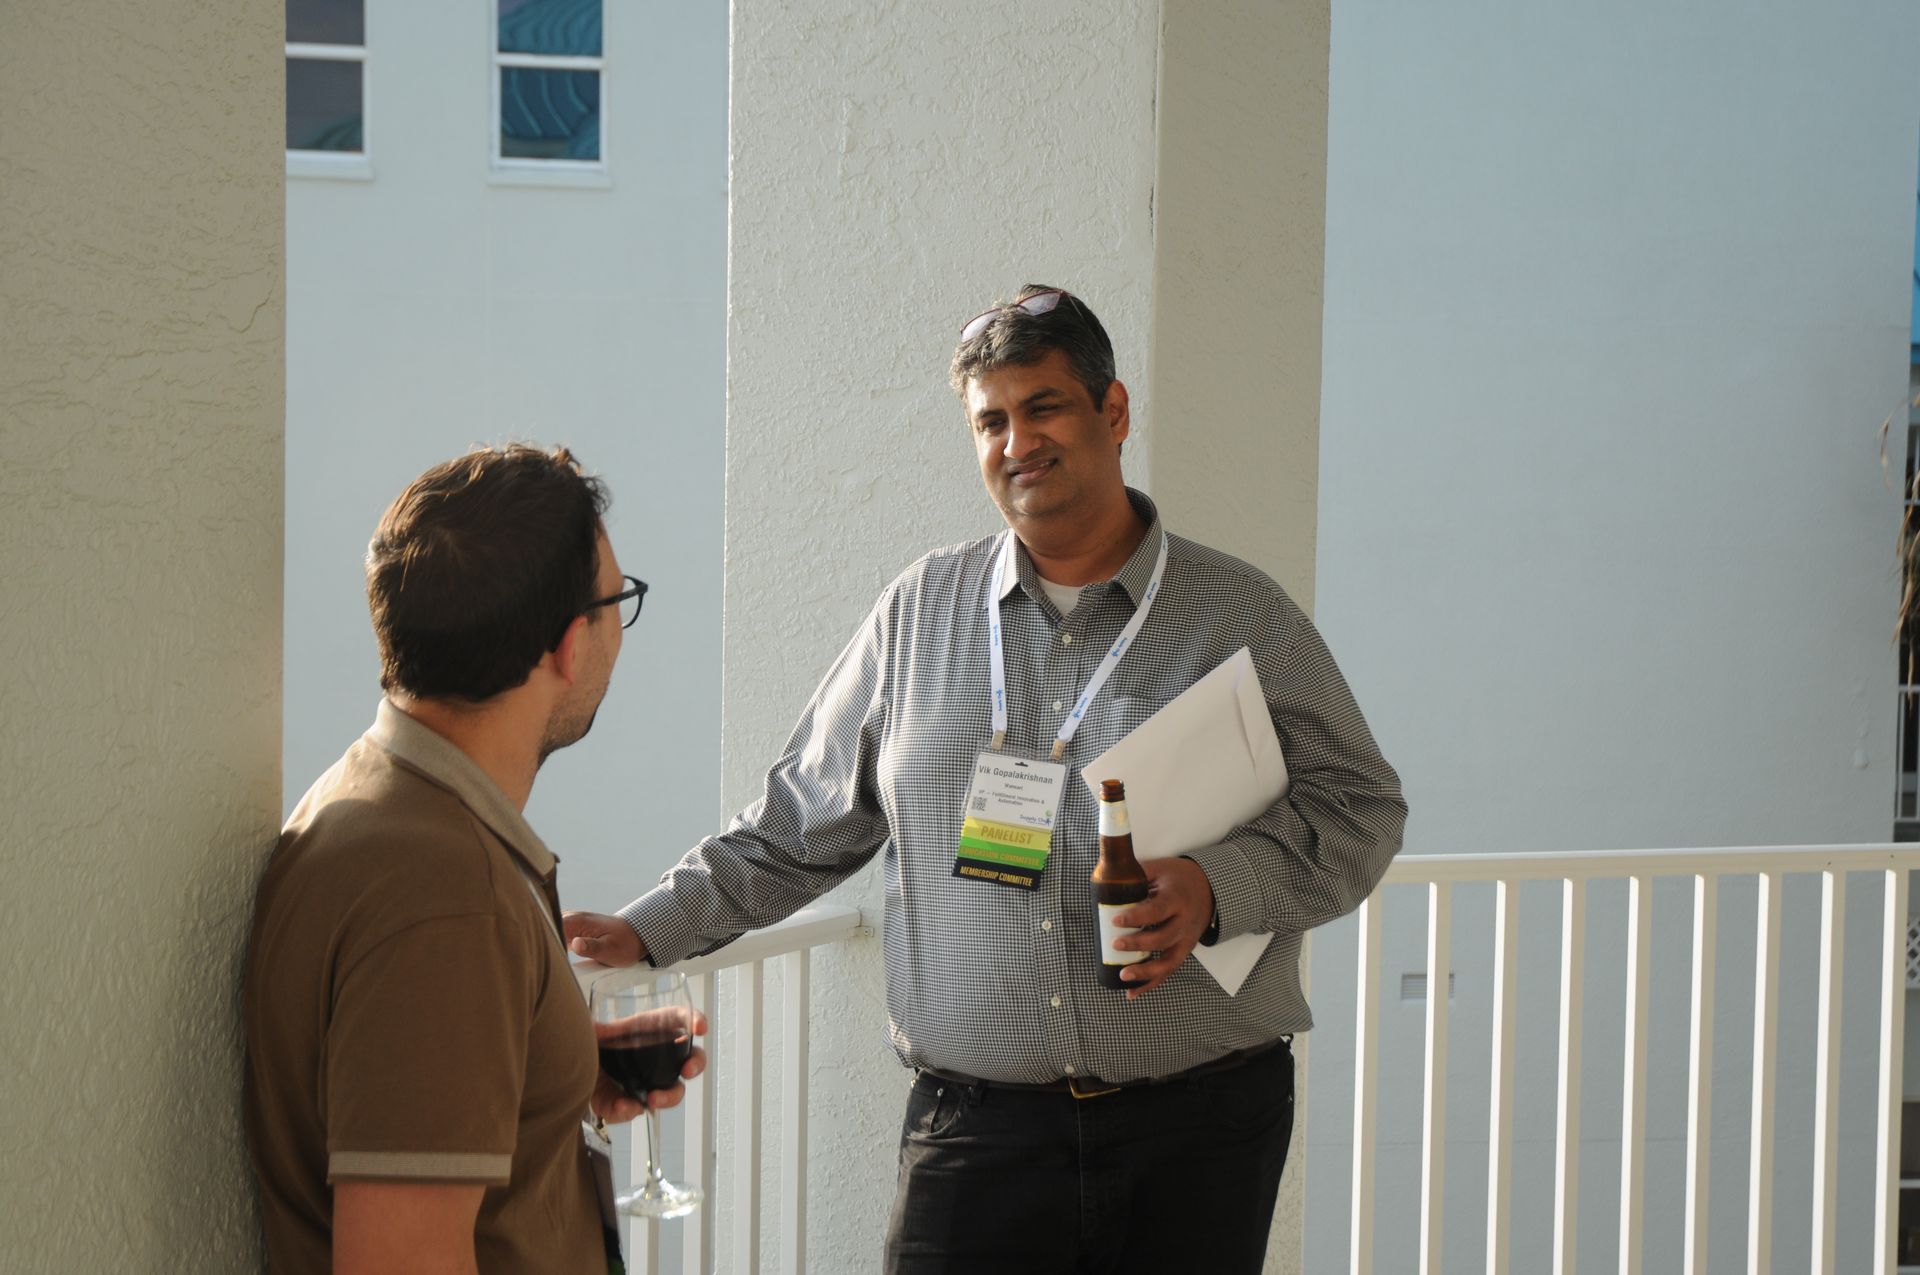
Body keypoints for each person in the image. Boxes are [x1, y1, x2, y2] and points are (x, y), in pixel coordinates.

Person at [564, 287, 1407, 1273]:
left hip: (1202, 1130)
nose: (1019, 441)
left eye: (1044, 407)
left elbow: (1362, 806)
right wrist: (649, 927)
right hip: (978, 1139)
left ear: (1114, 412)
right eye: (991, 420)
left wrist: (1219, 887)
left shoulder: (1241, 615)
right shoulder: (919, 610)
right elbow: (803, 817)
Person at [244, 445, 705, 1275]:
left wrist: (551, 1071)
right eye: (616, 603)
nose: (617, 633)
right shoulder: (448, 899)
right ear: (569, 645)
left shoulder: (373, 797)